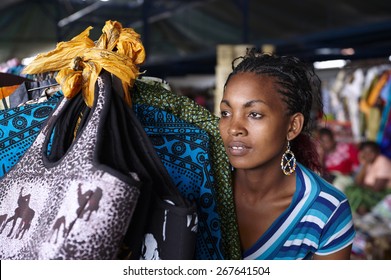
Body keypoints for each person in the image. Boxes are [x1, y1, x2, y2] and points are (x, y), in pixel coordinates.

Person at [218, 49, 355, 260]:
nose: (234, 128)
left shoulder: (326, 211)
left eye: (254, 114)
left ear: (292, 126)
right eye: (226, 113)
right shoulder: (201, 190)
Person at [345, 141, 391, 214]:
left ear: (377, 152)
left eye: (371, 152)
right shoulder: (368, 163)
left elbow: (377, 188)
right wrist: (364, 165)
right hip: (369, 191)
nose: (368, 155)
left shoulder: (382, 161)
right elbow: (357, 182)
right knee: (349, 189)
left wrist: (361, 186)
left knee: (357, 193)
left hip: (384, 193)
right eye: (365, 152)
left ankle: (350, 214)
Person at [316, 127, 360, 191]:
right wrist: (321, 156)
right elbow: (319, 172)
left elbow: (358, 165)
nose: (325, 144)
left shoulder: (346, 148)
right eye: (323, 142)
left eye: (327, 141)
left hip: (346, 178)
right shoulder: (320, 153)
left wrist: (351, 172)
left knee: (337, 186)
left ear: (333, 139)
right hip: (329, 179)